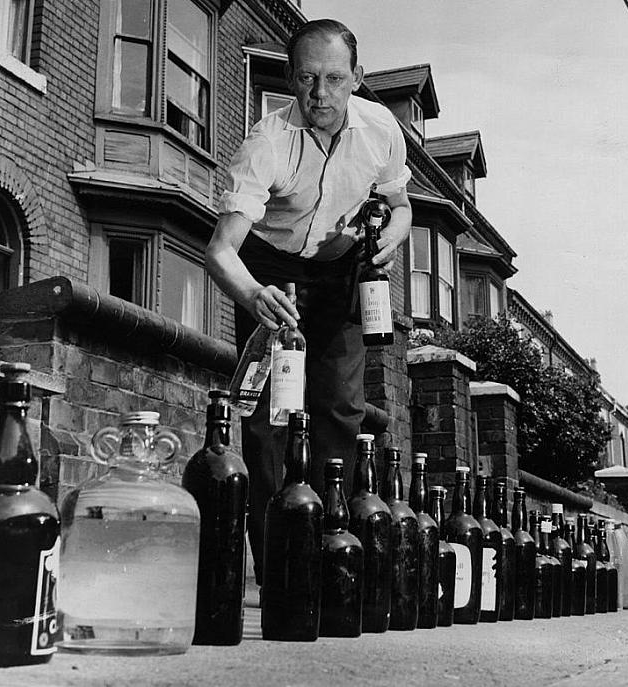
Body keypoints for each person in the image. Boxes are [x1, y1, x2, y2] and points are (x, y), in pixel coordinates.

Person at [205, 18, 412, 585]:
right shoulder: (265, 141)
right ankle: (280, 568)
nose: (321, 95)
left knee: (339, 412)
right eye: (307, 79)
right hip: (270, 270)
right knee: (269, 420)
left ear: (358, 78)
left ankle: (327, 557)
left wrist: (396, 230)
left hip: (342, 273)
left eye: (335, 79)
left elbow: (401, 201)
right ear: (291, 78)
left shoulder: (382, 128)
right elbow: (221, 251)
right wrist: (253, 296)